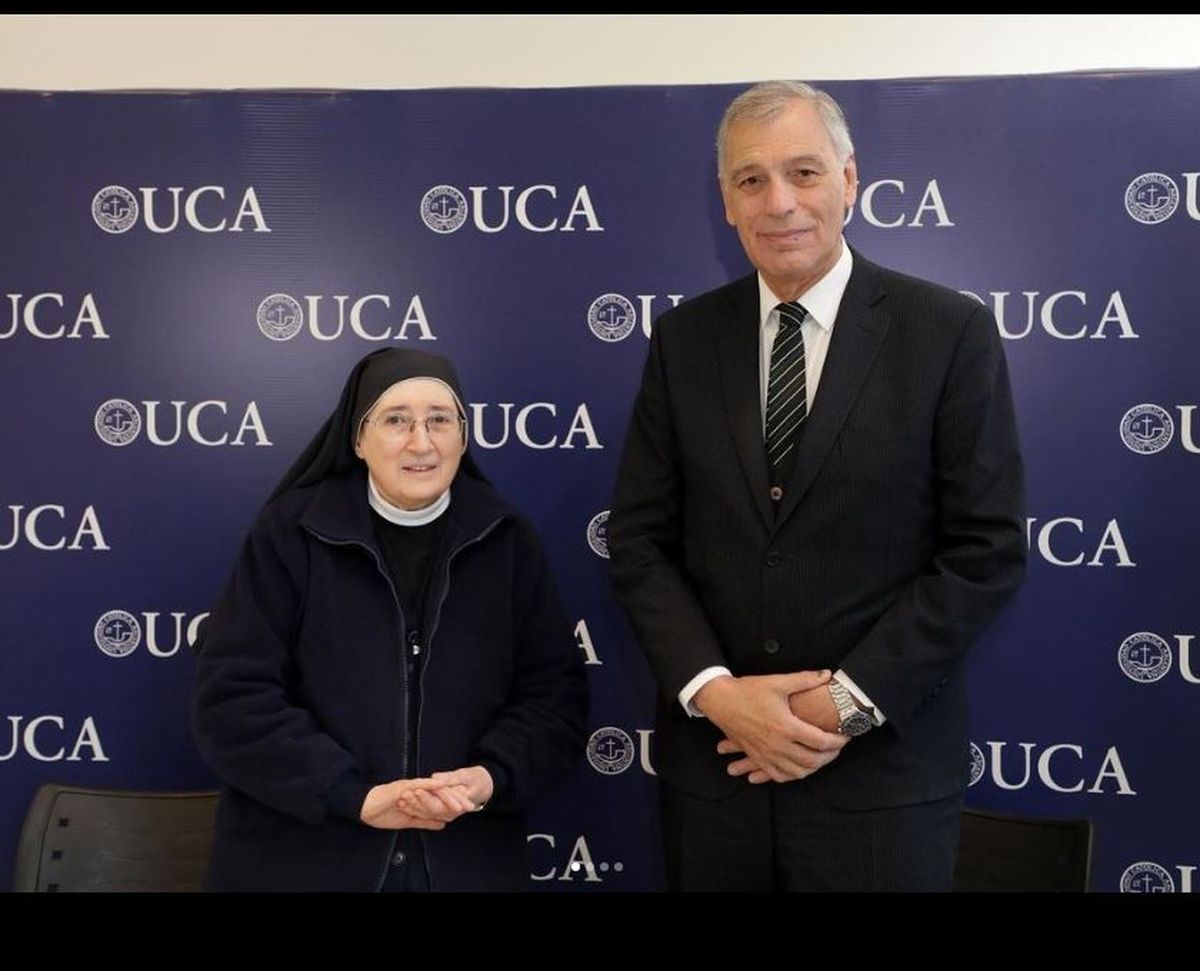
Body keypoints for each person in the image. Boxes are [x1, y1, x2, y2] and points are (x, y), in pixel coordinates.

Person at [607, 80, 1026, 892]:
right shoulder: (684, 339)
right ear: (726, 202)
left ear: (850, 181)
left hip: (880, 786)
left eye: (804, 172)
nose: (780, 203)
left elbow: (986, 551)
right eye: (751, 180)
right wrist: (717, 693)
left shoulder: (948, 332)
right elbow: (639, 541)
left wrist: (844, 702)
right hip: (717, 775)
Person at [193, 347, 588, 892]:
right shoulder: (290, 534)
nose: (421, 442)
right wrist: (352, 794)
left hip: (460, 857)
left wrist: (489, 778)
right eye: (396, 420)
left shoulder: (507, 540)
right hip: (305, 860)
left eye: (440, 420)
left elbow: (553, 698)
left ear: (464, 437)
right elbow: (233, 700)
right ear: (357, 439)